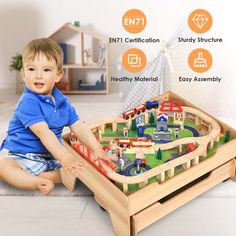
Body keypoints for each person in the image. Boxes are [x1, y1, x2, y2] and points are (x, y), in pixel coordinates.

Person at [0, 38, 116, 195]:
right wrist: (64, 157)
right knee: (3, 166)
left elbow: (79, 126)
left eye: (46, 70)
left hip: (51, 156)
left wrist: (96, 149)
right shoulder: (28, 102)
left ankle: (53, 176)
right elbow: (43, 133)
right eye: (32, 69)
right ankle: (36, 181)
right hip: (22, 156)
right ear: (23, 74)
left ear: (58, 75)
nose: (38, 75)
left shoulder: (63, 102)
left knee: (84, 167)